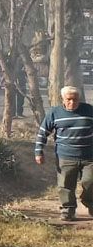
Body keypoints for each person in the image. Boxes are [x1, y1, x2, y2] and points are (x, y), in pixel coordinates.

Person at [34, 86, 93, 221]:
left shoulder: (89, 110)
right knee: (65, 185)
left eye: (75, 99)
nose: (72, 102)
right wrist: (39, 152)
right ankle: (68, 209)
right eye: (69, 99)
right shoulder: (55, 113)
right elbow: (43, 133)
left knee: (90, 181)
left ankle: (90, 203)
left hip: (89, 156)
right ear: (63, 99)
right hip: (65, 157)